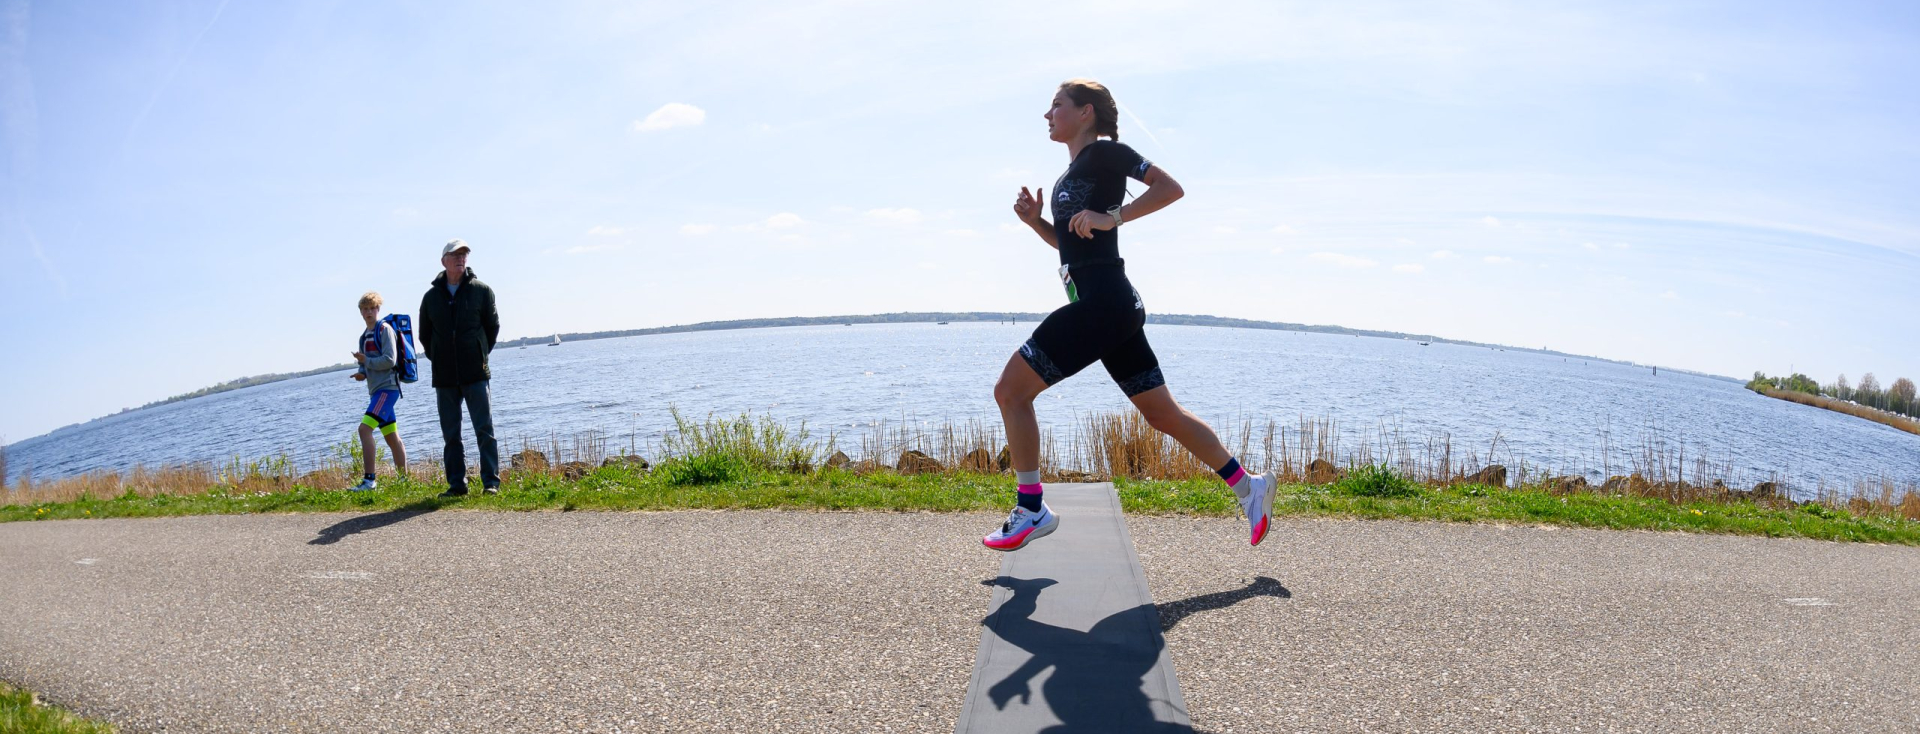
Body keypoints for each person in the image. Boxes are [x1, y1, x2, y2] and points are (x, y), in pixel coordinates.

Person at [984, 79, 1274, 551]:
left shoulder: (1107, 153)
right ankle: (1249, 486)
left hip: (1105, 305)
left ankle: (1032, 507)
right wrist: (1037, 222)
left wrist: (1114, 217)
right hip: (1110, 307)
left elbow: (1170, 188)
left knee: (1010, 392)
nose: (1048, 114)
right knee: (1162, 414)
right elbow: (1072, 244)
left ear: (1086, 112)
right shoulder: (1074, 171)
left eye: (1057, 104)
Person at [418, 239, 501, 497]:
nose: (460, 258)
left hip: (475, 373)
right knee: (451, 435)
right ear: (444, 261)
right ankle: (457, 485)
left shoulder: (482, 291)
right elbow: (425, 336)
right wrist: (440, 358)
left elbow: (492, 327)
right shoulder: (430, 298)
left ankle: (491, 483)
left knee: (484, 429)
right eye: (455, 255)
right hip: (444, 377)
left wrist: (479, 352)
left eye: (464, 254)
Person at [349, 292, 408, 490]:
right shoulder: (363, 336)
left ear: (378, 309)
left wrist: (366, 361)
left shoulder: (385, 330)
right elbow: (366, 365)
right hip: (376, 391)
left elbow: (390, 360)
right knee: (391, 436)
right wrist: (361, 373)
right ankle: (404, 481)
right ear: (360, 312)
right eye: (365, 309)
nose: (368, 312)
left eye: (372, 308)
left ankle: (369, 480)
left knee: (364, 429)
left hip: (387, 389)